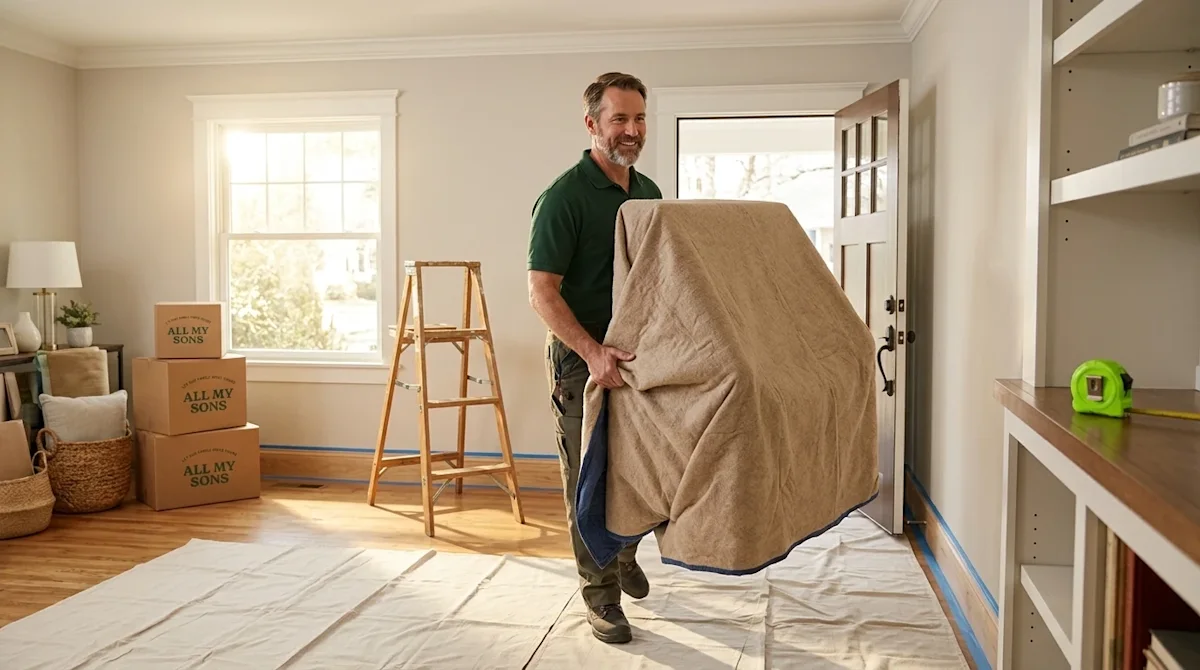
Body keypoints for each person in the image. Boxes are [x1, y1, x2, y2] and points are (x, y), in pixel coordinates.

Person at [526, 72, 663, 644]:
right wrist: (592, 351)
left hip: (639, 357)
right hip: (580, 360)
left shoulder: (649, 192)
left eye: (639, 118)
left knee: (644, 469)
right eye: (619, 119)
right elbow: (542, 292)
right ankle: (601, 596)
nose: (632, 130)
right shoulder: (564, 197)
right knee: (588, 479)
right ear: (591, 124)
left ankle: (623, 551)